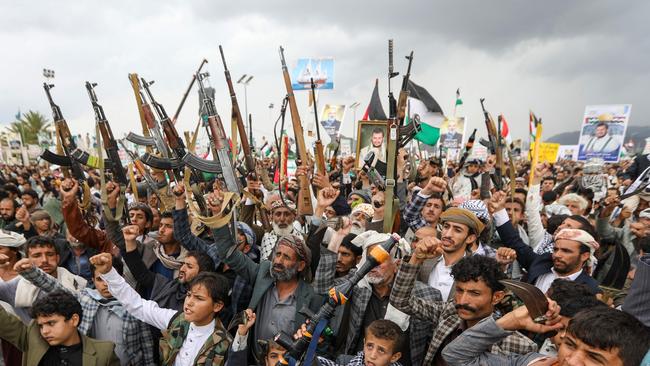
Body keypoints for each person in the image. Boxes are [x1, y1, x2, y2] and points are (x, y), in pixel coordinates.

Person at [390, 244, 537, 365]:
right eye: (459, 290)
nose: (462, 300)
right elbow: (401, 301)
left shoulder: (518, 345)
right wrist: (416, 259)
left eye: (474, 293)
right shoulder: (450, 313)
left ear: (497, 297)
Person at [314, 231, 440, 365]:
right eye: (370, 259)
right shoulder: (358, 285)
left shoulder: (427, 295)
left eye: (379, 260)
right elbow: (323, 288)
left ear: (397, 264)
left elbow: (432, 346)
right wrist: (335, 240)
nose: (373, 265)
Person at [92, 252, 232, 366]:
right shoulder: (176, 320)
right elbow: (137, 305)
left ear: (217, 306)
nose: (189, 302)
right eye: (189, 295)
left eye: (199, 298)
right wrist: (109, 273)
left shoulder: (226, 344)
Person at [15, 255, 156, 365]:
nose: (105, 285)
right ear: (93, 281)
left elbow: (146, 343)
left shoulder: (134, 305)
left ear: (121, 279)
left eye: (109, 279)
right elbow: (55, 287)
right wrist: (31, 271)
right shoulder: (85, 299)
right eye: (100, 280)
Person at [442, 302, 650, 366]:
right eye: (570, 344)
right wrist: (510, 321)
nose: (572, 361)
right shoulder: (534, 364)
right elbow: (455, 357)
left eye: (594, 357)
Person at [488, 191, 601, 294]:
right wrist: (499, 210)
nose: (557, 255)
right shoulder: (543, 263)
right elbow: (514, 241)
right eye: (556, 249)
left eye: (566, 251)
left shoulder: (590, 289)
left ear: (584, 255)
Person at [0, 289, 120, 365]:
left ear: (74, 320)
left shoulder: (104, 352)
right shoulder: (34, 337)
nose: (44, 331)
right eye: (41, 325)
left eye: (51, 323)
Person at [0, 235, 87, 324]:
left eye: (49, 254)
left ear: (57, 258)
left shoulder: (78, 282)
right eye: (37, 255)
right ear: (26, 260)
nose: (44, 260)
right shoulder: (15, 287)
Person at [317, 319, 405, 366]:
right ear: (364, 343)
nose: (372, 356)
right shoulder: (345, 362)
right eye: (370, 346)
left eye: (381, 350)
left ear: (394, 357)